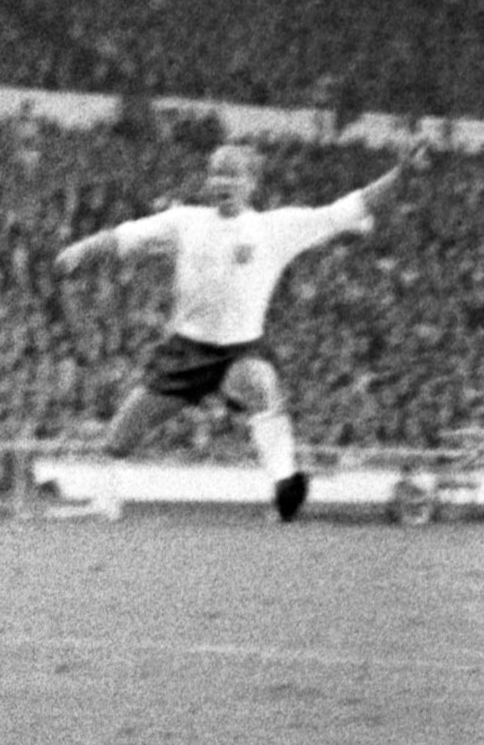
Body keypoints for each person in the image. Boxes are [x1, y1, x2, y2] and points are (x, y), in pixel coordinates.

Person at [51, 139, 424, 522]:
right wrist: (82, 250)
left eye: (233, 174)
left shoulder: (274, 228)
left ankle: (286, 492)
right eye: (216, 172)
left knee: (262, 386)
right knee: (122, 432)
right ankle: (105, 503)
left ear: (252, 184)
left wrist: (402, 173)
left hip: (239, 351)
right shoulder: (184, 221)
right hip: (186, 350)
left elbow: (348, 209)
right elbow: (124, 236)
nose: (222, 181)